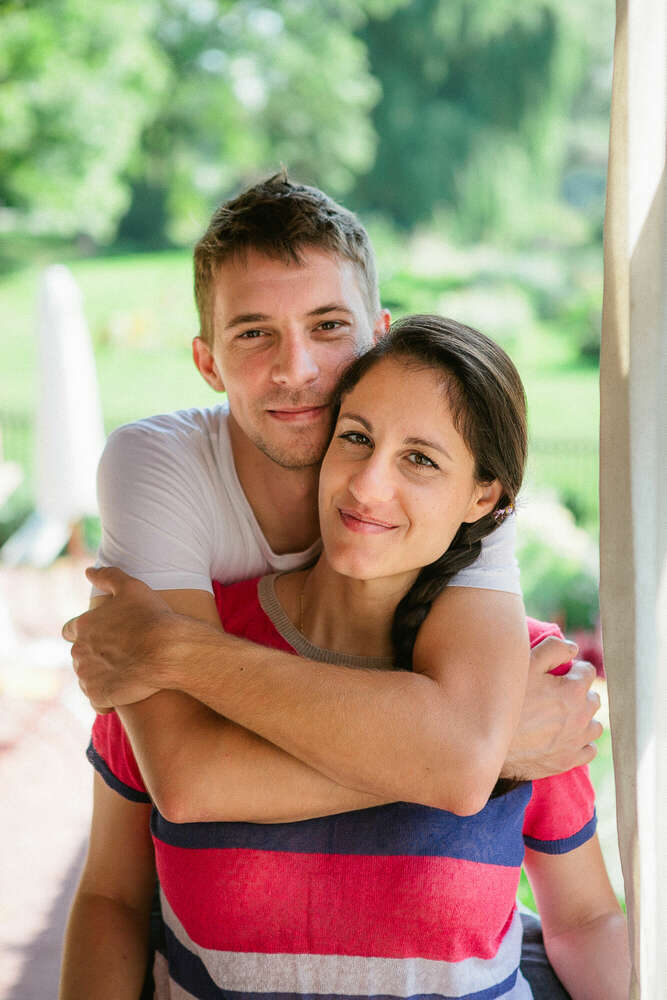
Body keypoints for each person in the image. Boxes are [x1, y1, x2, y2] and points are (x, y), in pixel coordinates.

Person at [61, 176, 602, 993]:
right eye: (253, 334)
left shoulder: (477, 537)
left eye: (327, 327)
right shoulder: (159, 471)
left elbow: (570, 897)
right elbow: (188, 781)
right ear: (206, 361)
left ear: (375, 336)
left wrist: (171, 650)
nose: (298, 368)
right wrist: (479, 747)